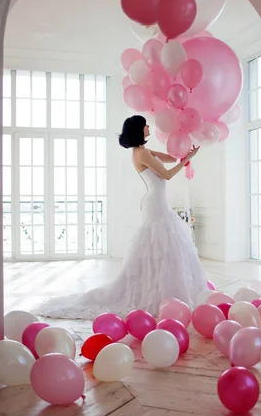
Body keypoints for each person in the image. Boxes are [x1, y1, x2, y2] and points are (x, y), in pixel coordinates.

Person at [32, 115, 208, 319]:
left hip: (158, 203)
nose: (149, 127)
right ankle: (156, 294)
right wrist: (188, 159)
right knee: (158, 246)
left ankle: (165, 292)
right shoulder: (140, 154)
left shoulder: (144, 151)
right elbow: (167, 175)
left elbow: (170, 158)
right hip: (154, 205)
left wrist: (185, 152)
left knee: (167, 248)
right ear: (138, 129)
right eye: (145, 125)